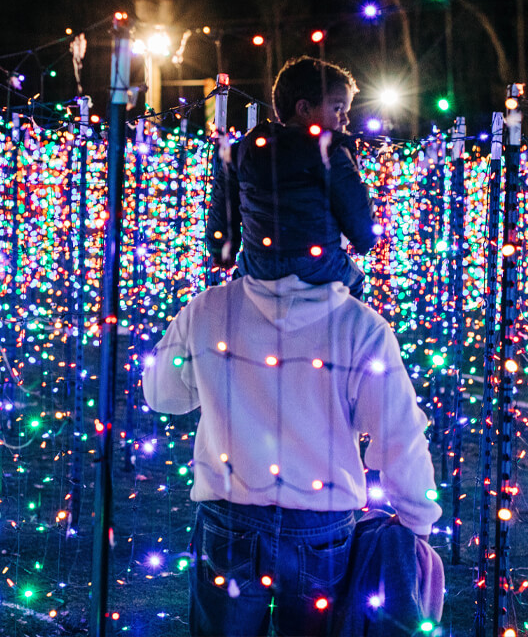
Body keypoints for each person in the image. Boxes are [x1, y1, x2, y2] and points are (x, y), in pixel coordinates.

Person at [142, 274, 441, 637]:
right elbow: (399, 433)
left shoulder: (210, 307)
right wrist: (416, 519)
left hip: (230, 518)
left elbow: (161, 394)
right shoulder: (359, 323)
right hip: (321, 530)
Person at [205, 56, 378, 299]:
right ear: (304, 108)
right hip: (318, 267)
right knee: (354, 283)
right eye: (338, 108)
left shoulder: (245, 149)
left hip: (258, 265)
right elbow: (357, 214)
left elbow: (223, 203)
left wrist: (222, 250)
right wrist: (366, 239)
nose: (345, 119)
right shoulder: (330, 152)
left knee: (239, 288)